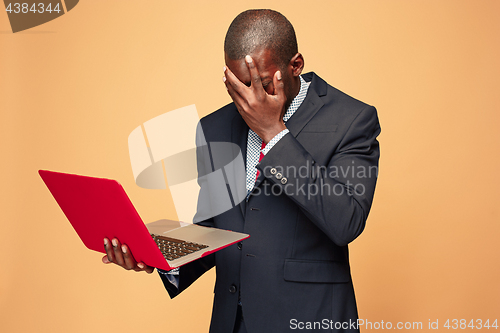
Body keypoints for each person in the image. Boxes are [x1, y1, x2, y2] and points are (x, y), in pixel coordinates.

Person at [102, 9, 381, 333]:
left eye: (262, 85)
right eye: (238, 86)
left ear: (295, 65)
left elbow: (346, 221)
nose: (250, 99)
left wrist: (274, 134)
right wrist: (157, 254)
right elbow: (216, 230)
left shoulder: (351, 120)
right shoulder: (214, 127)